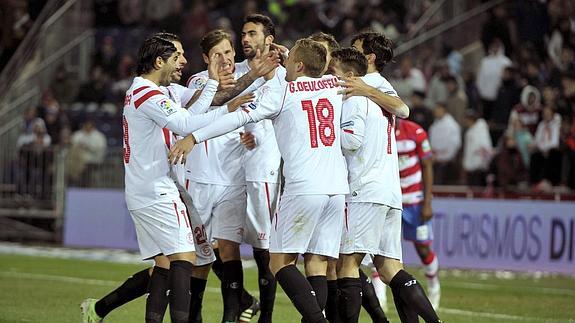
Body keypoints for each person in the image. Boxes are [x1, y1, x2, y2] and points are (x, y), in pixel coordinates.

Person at [170, 38, 348, 323]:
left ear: (299, 65)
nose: (283, 65)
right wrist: (293, 55)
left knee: (279, 262)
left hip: (304, 188)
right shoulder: (333, 84)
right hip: (337, 189)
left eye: (289, 61)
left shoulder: (283, 91)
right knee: (317, 263)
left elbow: (238, 118)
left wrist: (195, 136)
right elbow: (313, 69)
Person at [80, 32, 234, 323]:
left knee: (163, 264)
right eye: (176, 57)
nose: (182, 63)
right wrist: (228, 108)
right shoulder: (147, 93)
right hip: (156, 189)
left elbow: (184, 119)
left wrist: (216, 98)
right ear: (159, 61)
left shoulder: (145, 92)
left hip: (145, 188)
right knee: (184, 259)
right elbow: (185, 123)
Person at [184, 26, 278, 323]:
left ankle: (231, 316)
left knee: (229, 249)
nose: (224, 59)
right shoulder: (198, 82)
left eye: (227, 52)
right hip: (198, 179)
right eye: (216, 54)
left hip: (233, 178)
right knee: (200, 256)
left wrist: (252, 137)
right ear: (205, 58)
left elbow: (252, 120)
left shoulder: (246, 82)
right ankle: (194, 315)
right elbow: (195, 110)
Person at [395, 119, 441, 310]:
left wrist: (427, 202)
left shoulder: (416, 132)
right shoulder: (381, 129)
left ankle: (433, 285)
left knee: (423, 249)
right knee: (381, 249)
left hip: (415, 201)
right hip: (392, 200)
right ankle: (380, 297)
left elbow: (428, 165)